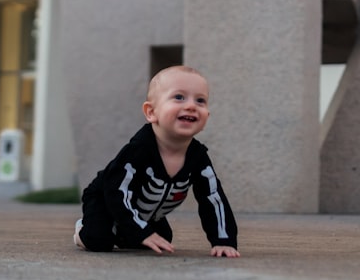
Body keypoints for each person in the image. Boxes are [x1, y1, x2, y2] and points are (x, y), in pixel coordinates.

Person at [74, 65, 240, 257]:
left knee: (161, 238)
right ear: (151, 112)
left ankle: (125, 231)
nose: (191, 105)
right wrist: (140, 231)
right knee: (98, 239)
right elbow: (117, 191)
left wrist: (224, 240)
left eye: (200, 100)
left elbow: (213, 198)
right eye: (179, 97)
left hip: (147, 211)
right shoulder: (138, 150)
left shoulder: (198, 157)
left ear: (206, 117)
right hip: (107, 198)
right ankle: (83, 230)